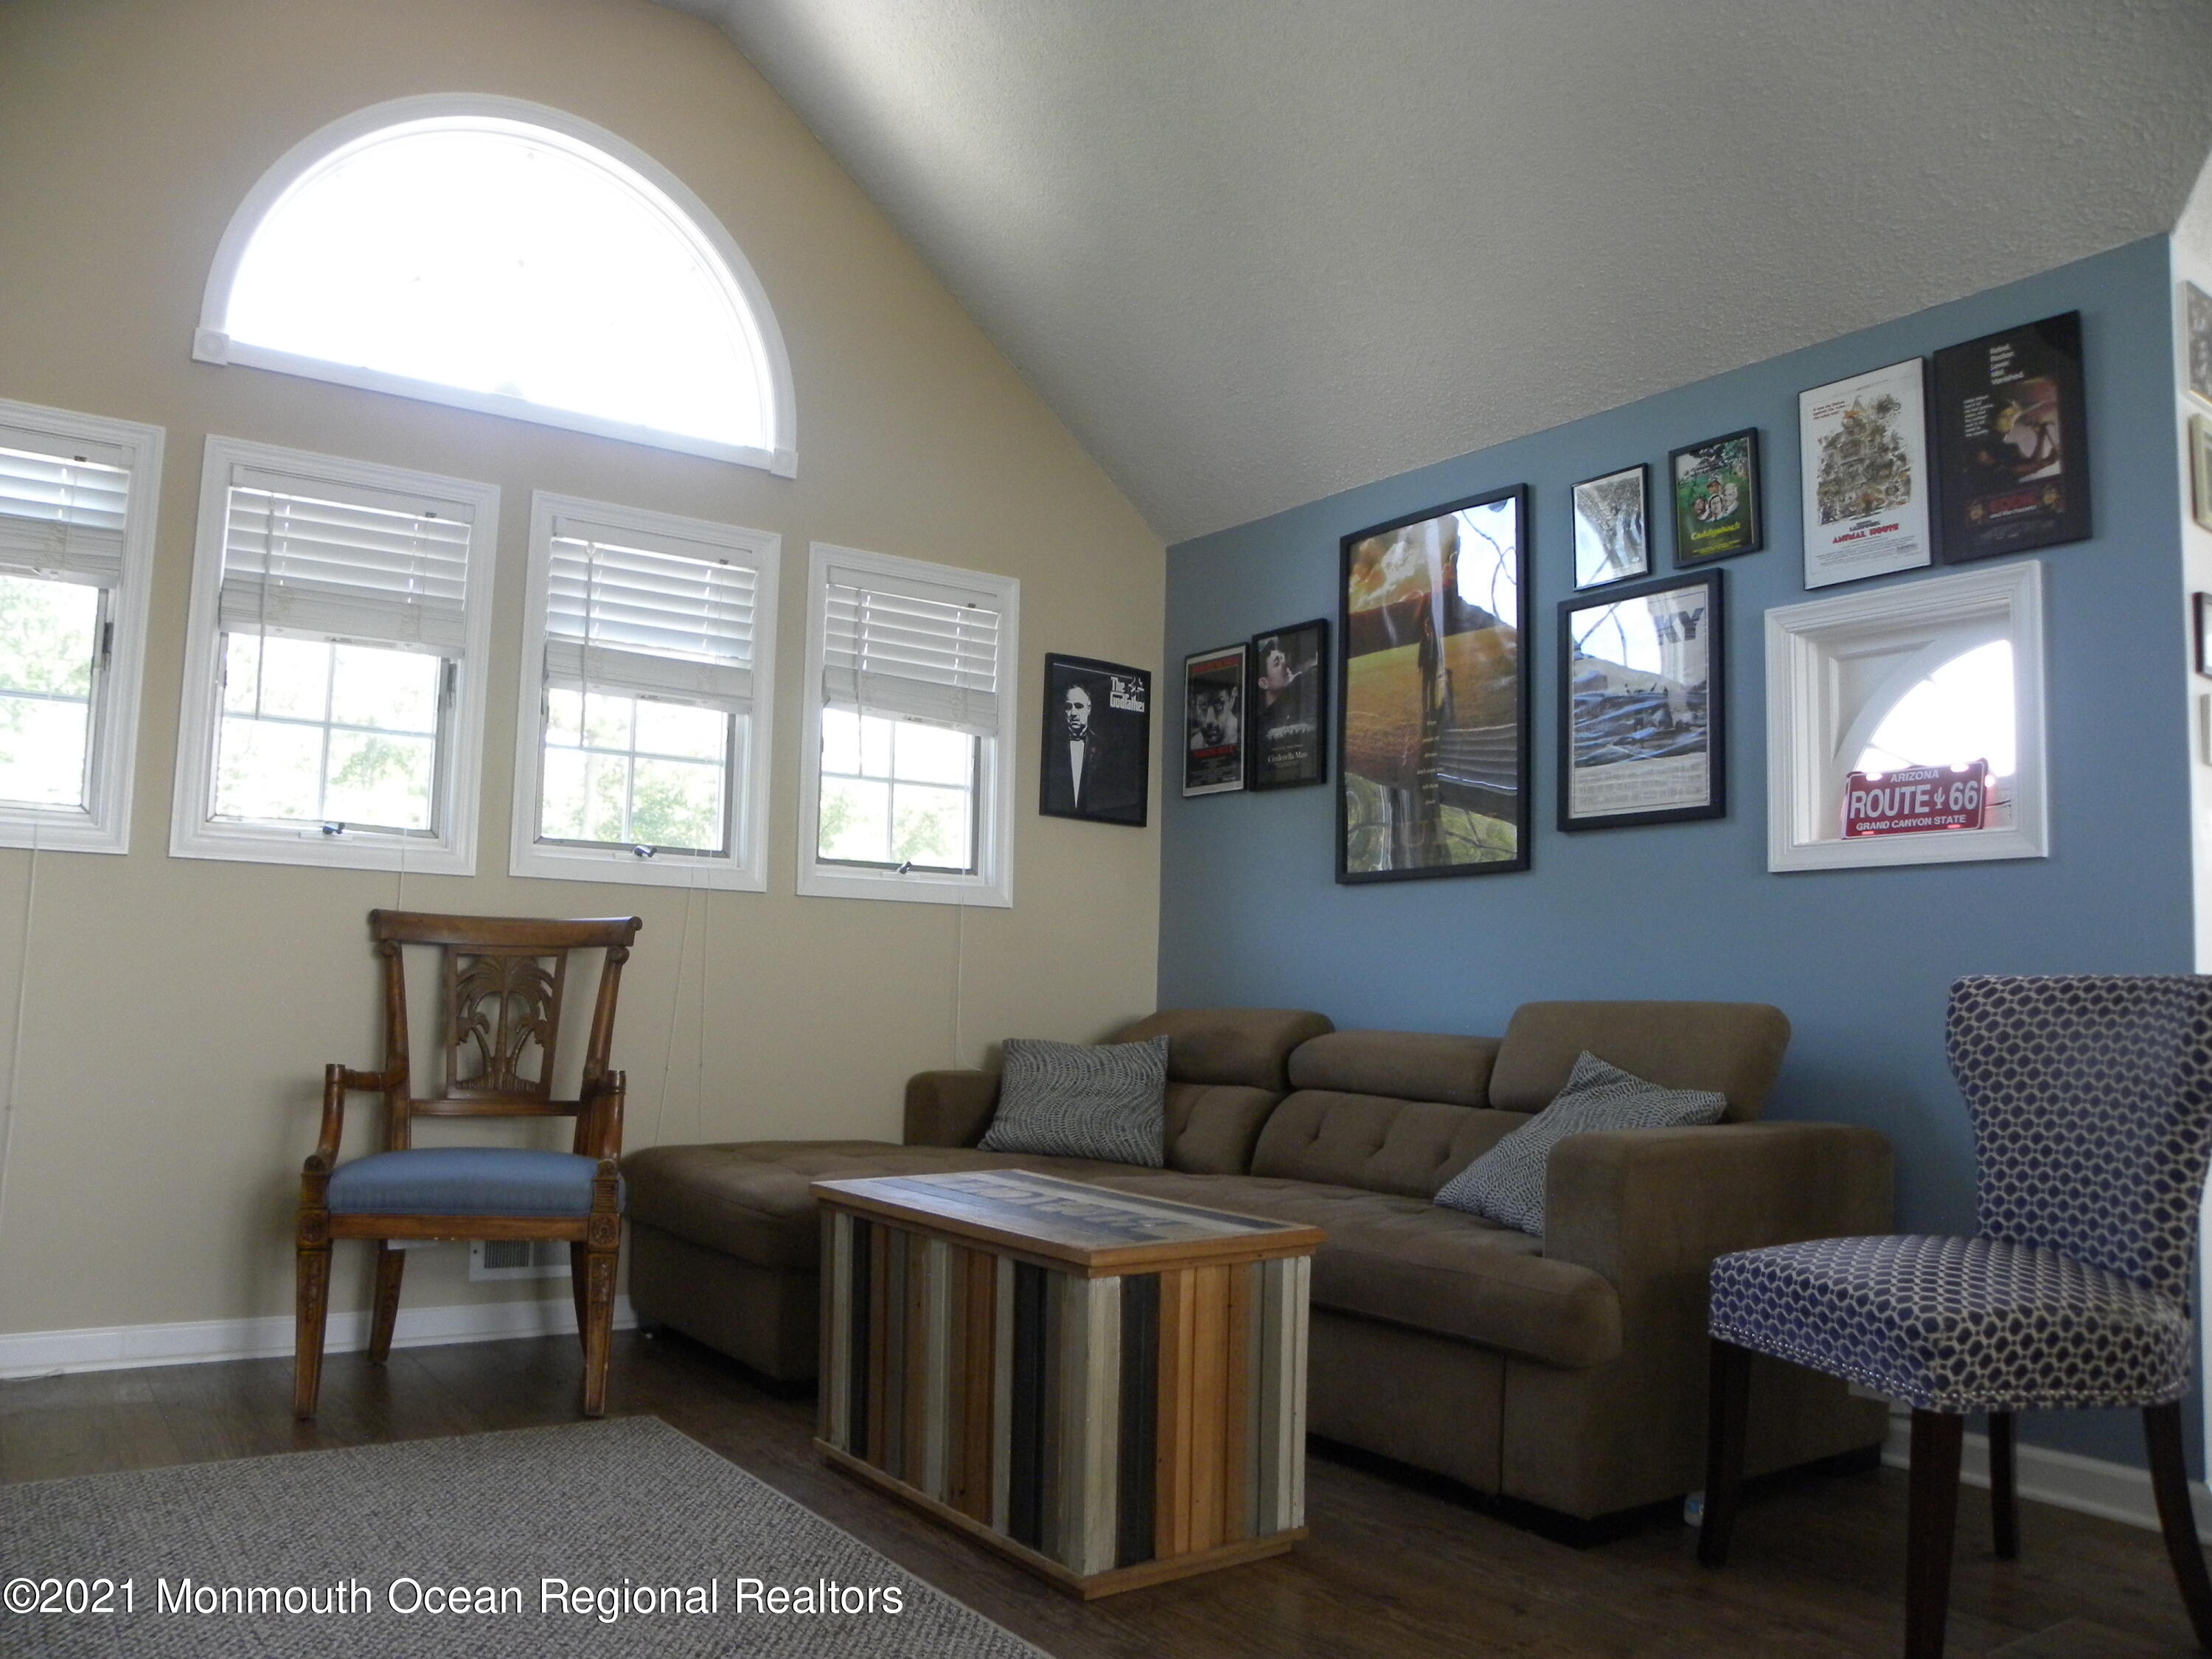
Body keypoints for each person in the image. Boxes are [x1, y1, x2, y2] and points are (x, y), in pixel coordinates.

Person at [1043, 676, 1141, 820]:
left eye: (1079, 706)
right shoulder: (1052, 749)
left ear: (1089, 708)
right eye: (1068, 707)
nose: (1074, 713)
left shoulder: (1106, 749)